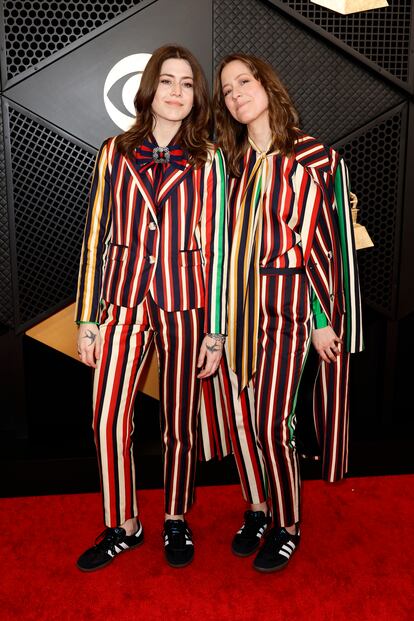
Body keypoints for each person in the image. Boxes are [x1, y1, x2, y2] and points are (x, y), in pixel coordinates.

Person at [75, 44, 227, 571]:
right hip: (121, 303)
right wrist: (89, 318)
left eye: (187, 84)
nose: (177, 92)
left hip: (186, 307)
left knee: (179, 421)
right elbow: (97, 235)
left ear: (196, 96)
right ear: (150, 87)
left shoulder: (210, 160)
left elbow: (219, 249)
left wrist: (216, 330)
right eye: (168, 81)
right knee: (107, 419)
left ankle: (176, 518)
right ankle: (124, 523)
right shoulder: (114, 150)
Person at [211, 53, 363, 572]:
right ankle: (258, 506)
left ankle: (289, 523)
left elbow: (330, 246)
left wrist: (322, 320)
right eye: (227, 91)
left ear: (266, 84)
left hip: (290, 310)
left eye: (244, 82)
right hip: (237, 312)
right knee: (240, 418)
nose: (235, 95)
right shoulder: (230, 162)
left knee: (273, 420)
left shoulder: (317, 157)